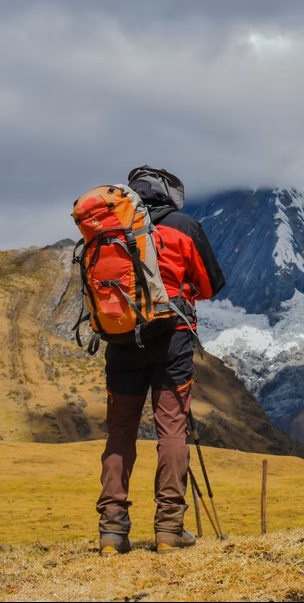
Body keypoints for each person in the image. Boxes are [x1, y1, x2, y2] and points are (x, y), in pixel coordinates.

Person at [96, 166, 225, 556]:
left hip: (122, 342)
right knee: (171, 430)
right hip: (172, 341)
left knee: (120, 434)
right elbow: (210, 285)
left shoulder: (108, 228)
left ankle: (111, 531)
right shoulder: (184, 225)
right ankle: (169, 528)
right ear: (170, 196)